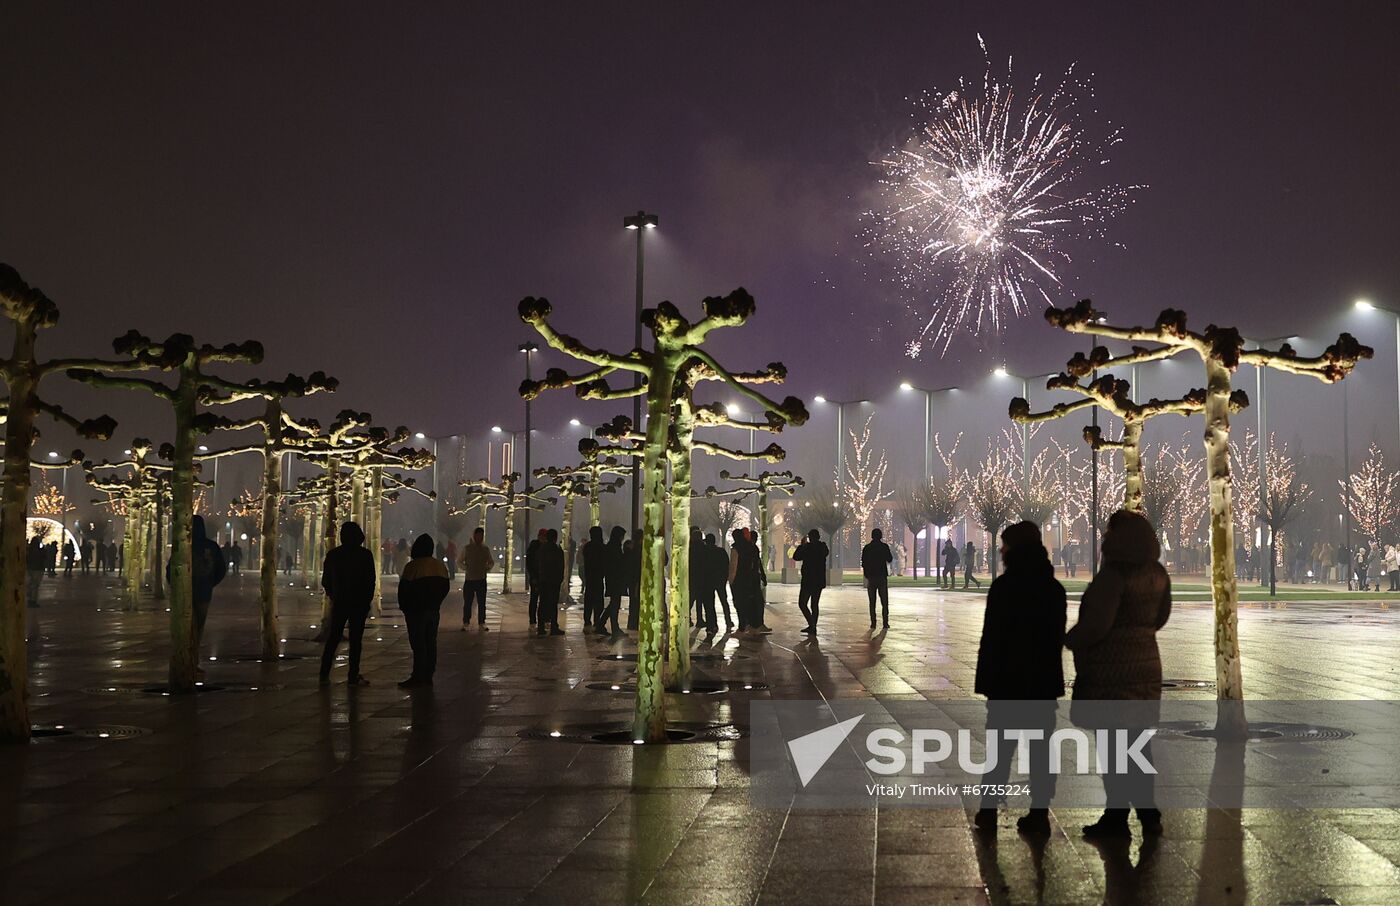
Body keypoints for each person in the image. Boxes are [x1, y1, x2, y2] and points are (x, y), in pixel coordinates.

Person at [1066, 510, 1172, 839]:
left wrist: (1071, 639)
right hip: (1145, 666)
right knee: (1138, 746)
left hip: (1112, 673)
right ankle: (1147, 813)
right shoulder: (1157, 573)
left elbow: (1096, 625)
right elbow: (1161, 617)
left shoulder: (1114, 576)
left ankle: (1116, 816)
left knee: (1113, 749)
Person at [973, 521, 1067, 836]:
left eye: (1005, 545)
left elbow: (992, 641)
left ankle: (988, 808)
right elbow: (1054, 640)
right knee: (1041, 749)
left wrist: (986, 683)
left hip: (1006, 684)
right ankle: (1039, 809)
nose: (1001, 550)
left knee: (1000, 748)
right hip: (1040, 682)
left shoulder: (1004, 588)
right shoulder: (1053, 589)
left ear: (1014, 549)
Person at [166, 515, 229, 674]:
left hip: (184, 592)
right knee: (198, 628)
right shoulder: (211, 547)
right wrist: (209, 583)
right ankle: (192, 661)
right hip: (203, 593)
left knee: (184, 627)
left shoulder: (182, 545)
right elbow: (221, 569)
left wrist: (176, 586)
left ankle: (183, 660)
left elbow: (170, 569)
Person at [319, 521, 377, 686]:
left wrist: (333, 594)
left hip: (340, 602)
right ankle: (353, 675)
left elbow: (326, 580)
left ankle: (324, 674)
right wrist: (367, 600)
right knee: (356, 641)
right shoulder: (365, 555)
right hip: (358, 603)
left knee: (333, 638)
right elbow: (370, 580)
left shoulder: (333, 555)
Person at [397, 533, 449, 687]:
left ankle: (417, 675)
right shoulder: (439, 566)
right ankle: (428, 675)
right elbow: (445, 588)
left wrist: (405, 607)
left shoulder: (413, 566)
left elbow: (404, 589)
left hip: (415, 611)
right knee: (431, 642)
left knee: (418, 644)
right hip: (433, 610)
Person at [792, 529, 829, 635]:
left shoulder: (807, 548)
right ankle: (813, 626)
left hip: (808, 580)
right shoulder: (823, 547)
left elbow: (796, 557)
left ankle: (812, 624)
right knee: (814, 604)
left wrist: (801, 545)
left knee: (802, 603)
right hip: (818, 580)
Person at [459, 527, 494, 631]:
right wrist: (466, 568)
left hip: (481, 579)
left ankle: (482, 622)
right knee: (468, 602)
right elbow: (459, 561)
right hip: (470, 579)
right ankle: (466, 622)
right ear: (474, 536)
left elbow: (491, 561)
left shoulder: (485, 549)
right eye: (478, 535)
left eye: (481, 536)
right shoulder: (467, 548)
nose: (480, 538)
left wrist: (487, 568)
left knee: (482, 602)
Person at [862, 528, 893, 630]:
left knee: (872, 601)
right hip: (881, 576)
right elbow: (889, 559)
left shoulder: (867, 548)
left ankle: (873, 622)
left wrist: (866, 574)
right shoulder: (884, 547)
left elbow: (864, 563)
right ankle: (885, 622)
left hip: (871, 576)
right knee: (884, 601)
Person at [598, 526, 627, 636]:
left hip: (612, 579)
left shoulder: (611, 546)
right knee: (615, 604)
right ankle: (613, 627)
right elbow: (617, 564)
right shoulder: (615, 548)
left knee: (613, 604)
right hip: (615, 580)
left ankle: (603, 624)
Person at [536, 528, 565, 636]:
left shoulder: (542, 549)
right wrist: (560, 578)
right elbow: (561, 566)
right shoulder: (557, 550)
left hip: (544, 580)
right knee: (553, 604)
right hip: (554, 581)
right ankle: (553, 626)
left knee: (543, 603)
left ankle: (541, 627)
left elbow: (539, 564)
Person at [704, 533, 734, 633]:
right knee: (724, 601)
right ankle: (728, 621)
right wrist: (724, 578)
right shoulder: (721, 551)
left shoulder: (705, 552)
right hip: (720, 580)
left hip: (708, 581)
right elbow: (726, 565)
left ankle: (713, 624)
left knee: (709, 604)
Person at [580, 525, 607, 631]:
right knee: (598, 600)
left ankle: (587, 621)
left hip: (589, 576)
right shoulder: (602, 547)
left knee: (589, 600)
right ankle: (597, 620)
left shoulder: (587, 547)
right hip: (598, 577)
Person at [524, 528, 545, 626]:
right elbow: (530, 564)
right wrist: (533, 576)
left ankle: (539, 620)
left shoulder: (537, 547)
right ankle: (533, 621)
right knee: (535, 600)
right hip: (536, 578)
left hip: (540, 578)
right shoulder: (535, 547)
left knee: (539, 600)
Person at [688, 526, 705, 627]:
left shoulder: (689, 548)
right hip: (702, 577)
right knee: (700, 600)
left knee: (691, 599)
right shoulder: (703, 547)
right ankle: (700, 619)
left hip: (692, 576)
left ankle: (687, 617)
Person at [626, 528, 643, 630]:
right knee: (637, 602)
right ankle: (635, 622)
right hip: (638, 579)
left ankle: (632, 622)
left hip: (632, 579)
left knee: (633, 602)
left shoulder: (631, 548)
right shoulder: (639, 549)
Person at [26, 536, 45, 607]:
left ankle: (30, 599)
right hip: (38, 569)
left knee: (30, 584)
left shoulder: (28, 550)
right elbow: (43, 557)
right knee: (35, 585)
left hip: (30, 568)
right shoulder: (39, 551)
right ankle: (33, 600)